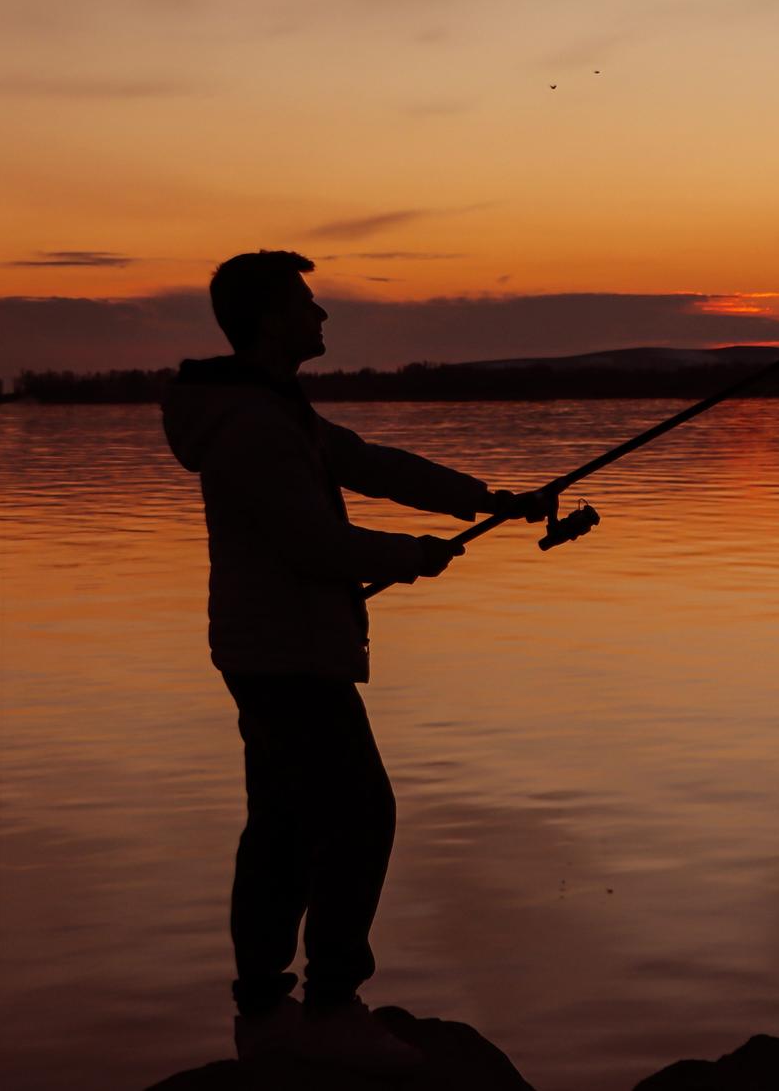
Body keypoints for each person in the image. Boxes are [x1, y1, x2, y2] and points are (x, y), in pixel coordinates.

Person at [162, 250, 551, 1071]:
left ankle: (266, 1013)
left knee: (284, 824)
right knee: (359, 816)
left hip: (274, 648)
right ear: (270, 319)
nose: (322, 314)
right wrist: (410, 555)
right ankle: (329, 1004)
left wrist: (483, 499)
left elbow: (368, 462)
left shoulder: (271, 409)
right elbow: (311, 544)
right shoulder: (254, 426)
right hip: (287, 657)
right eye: (306, 302)